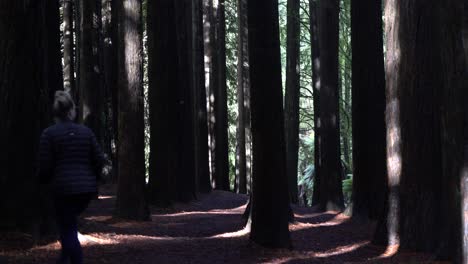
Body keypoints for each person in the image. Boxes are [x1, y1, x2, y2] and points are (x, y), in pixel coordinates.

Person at [38, 91, 105, 264]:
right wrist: (94, 180)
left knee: (67, 229)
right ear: (71, 112)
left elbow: (45, 166)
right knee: (68, 226)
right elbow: (99, 160)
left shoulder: (48, 134)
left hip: (62, 190)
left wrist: (42, 182)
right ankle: (63, 260)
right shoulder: (86, 132)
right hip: (85, 191)